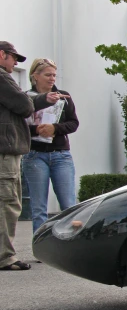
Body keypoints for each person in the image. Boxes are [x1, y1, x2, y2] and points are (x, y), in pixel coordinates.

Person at [0, 41, 54, 271]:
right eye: (13, 58)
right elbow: (23, 105)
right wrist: (34, 102)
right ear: (2, 54)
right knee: (7, 203)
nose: (14, 63)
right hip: (5, 152)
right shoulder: (2, 77)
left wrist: (42, 100)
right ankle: (5, 257)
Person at [21, 58, 79, 233]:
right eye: (48, 75)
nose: (52, 78)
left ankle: (70, 243)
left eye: (54, 75)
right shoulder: (25, 99)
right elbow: (19, 127)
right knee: (39, 207)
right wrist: (36, 129)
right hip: (35, 155)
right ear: (35, 76)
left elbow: (74, 123)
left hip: (61, 155)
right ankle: (41, 246)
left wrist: (55, 127)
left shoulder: (64, 96)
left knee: (68, 204)